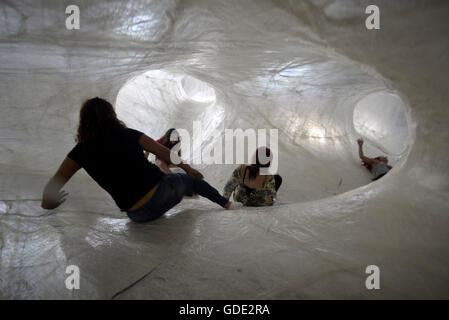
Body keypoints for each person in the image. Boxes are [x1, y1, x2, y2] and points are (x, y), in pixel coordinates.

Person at [41, 97, 242, 223]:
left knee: (176, 182)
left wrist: (48, 203)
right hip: (163, 194)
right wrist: (189, 169)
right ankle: (226, 204)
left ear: (84, 122)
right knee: (188, 180)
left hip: (138, 215)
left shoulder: (79, 152)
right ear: (112, 116)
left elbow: (54, 184)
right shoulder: (128, 134)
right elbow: (164, 152)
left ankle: (185, 190)